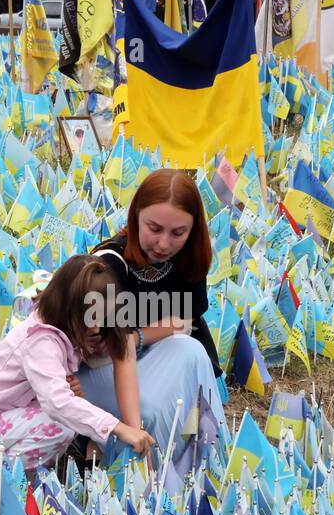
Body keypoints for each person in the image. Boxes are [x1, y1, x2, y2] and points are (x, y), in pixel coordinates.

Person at [0, 255, 155, 470]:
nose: (97, 328)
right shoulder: (42, 341)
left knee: (69, 417)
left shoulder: (55, 323)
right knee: (61, 423)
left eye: (101, 318)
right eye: (90, 318)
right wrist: (118, 428)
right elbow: (58, 404)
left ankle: (22, 472)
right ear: (68, 308)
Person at [77, 169, 225, 456]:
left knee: (192, 351)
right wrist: (129, 341)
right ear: (135, 217)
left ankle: (210, 452)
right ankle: (132, 459)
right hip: (103, 369)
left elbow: (186, 319)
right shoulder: (108, 265)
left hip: (151, 354)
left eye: (178, 233)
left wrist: (136, 337)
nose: (164, 243)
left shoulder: (189, 257)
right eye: (154, 228)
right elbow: (91, 344)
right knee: (151, 408)